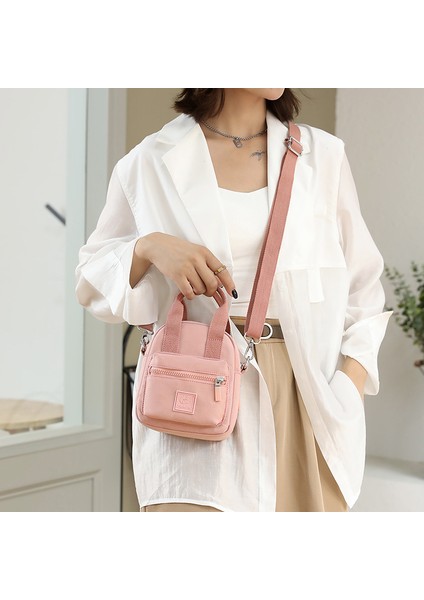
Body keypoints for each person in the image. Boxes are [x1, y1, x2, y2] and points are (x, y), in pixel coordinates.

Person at [75, 88, 391, 512]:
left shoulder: (323, 158)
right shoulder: (149, 161)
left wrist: (349, 387)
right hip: (196, 391)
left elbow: (364, 286)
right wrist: (148, 247)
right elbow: (91, 284)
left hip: (304, 397)